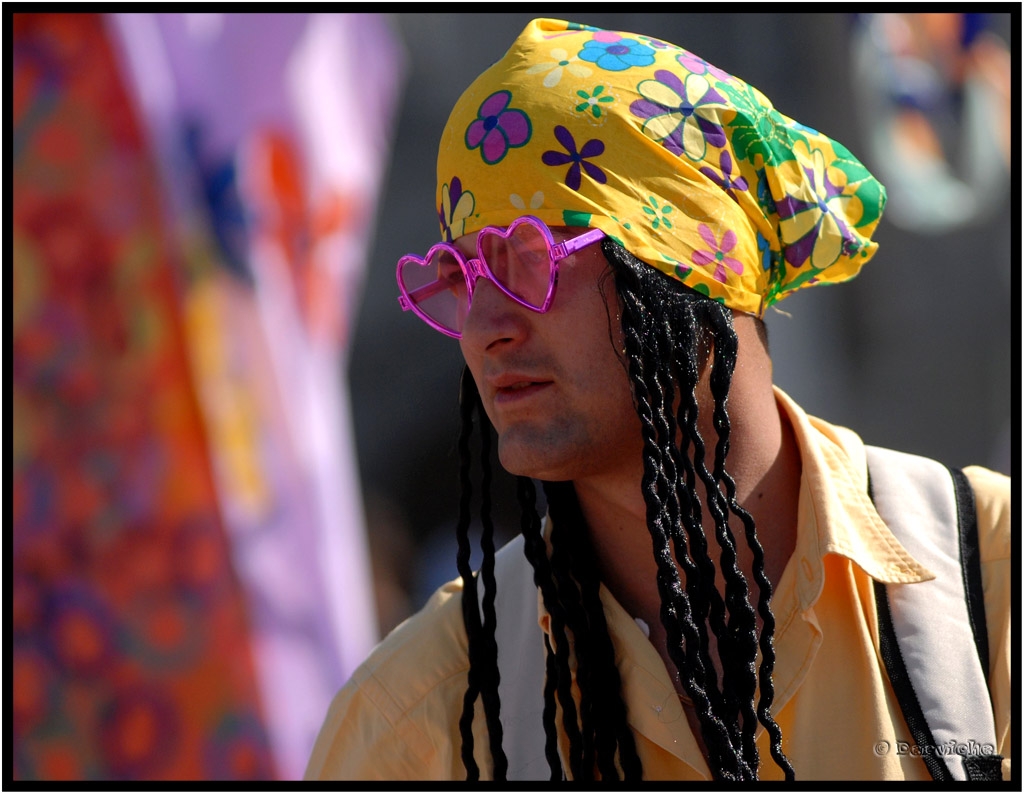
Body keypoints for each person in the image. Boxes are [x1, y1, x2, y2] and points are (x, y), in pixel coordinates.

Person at [305, 18, 1010, 781]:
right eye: (461, 276)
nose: (483, 328)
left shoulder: (993, 584)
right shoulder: (419, 719)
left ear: (690, 267)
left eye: (534, 259)